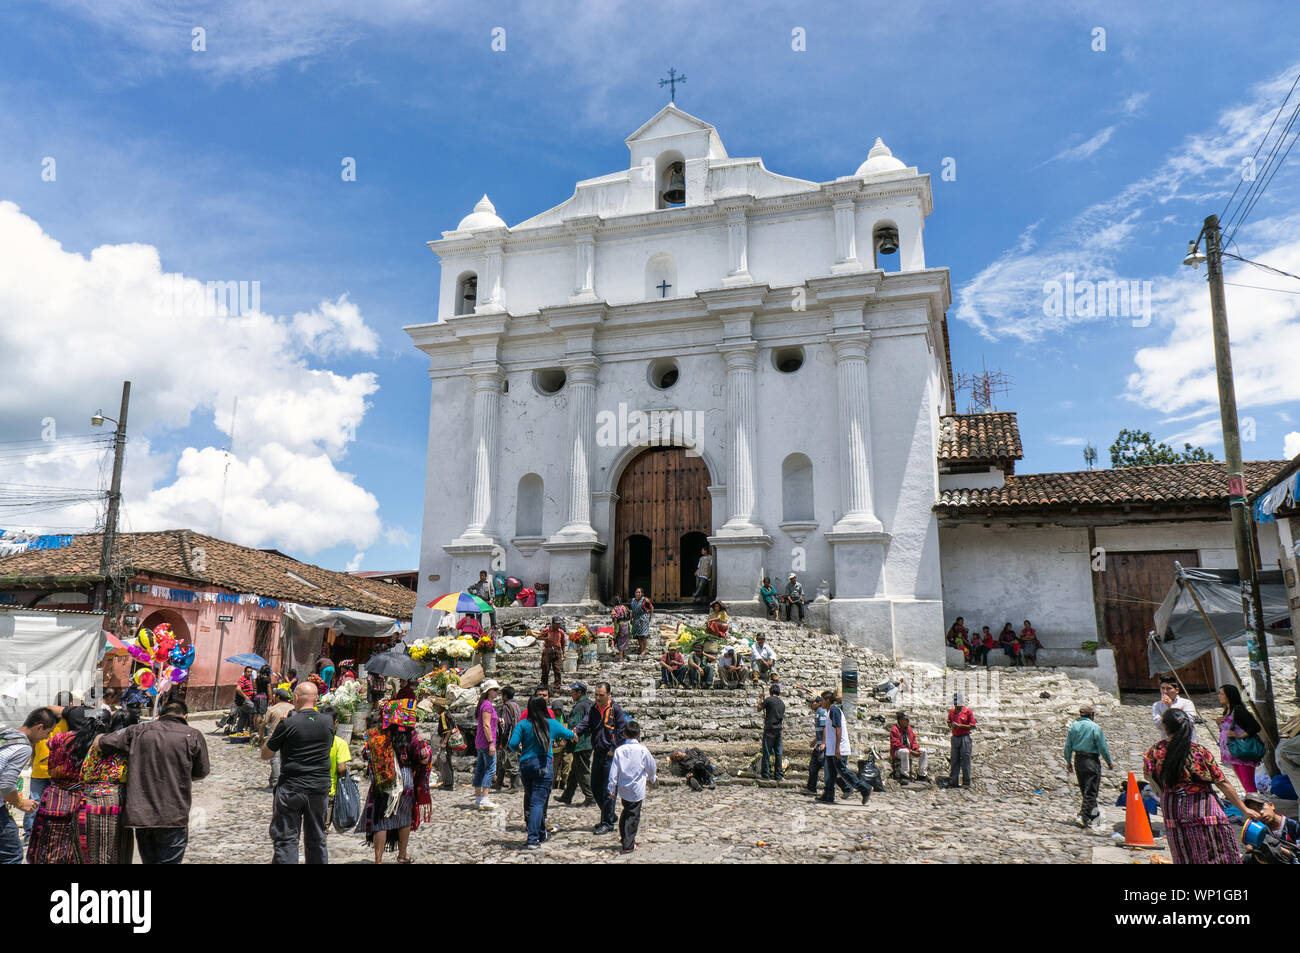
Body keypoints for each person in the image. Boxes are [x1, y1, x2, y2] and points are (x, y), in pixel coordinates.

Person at [92, 699, 210, 864]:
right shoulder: (193, 735)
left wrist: (98, 735)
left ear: (160, 714)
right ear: (185, 716)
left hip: (143, 816)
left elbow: (100, 743)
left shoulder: (138, 730)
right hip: (173, 814)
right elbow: (200, 773)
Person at [1144, 708, 1256, 864]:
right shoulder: (1198, 751)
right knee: (1215, 851)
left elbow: (1149, 777)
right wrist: (1244, 809)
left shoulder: (1154, 751)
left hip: (1172, 806)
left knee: (1183, 851)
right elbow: (1222, 782)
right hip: (1202, 806)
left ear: (1165, 727)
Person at [262, 681, 335, 864]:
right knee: (317, 838)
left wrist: (281, 724)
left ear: (295, 698)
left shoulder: (288, 723)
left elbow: (266, 753)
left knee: (286, 839)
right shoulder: (328, 722)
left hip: (291, 788)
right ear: (316, 698)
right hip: (319, 788)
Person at [361, 698, 431, 863]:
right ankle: (402, 855)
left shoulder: (377, 734)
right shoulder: (411, 735)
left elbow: (366, 754)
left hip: (384, 777)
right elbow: (422, 757)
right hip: (405, 778)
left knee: (381, 819)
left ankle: (378, 860)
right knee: (404, 817)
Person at [509, 695, 576, 849]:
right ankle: (533, 839)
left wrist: (519, 748)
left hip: (526, 765)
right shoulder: (550, 724)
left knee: (533, 800)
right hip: (543, 765)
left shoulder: (523, 725)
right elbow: (568, 734)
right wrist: (574, 734)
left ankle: (539, 833)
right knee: (538, 803)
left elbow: (512, 744)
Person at [0, 708, 59, 863]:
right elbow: (5, 784)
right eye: (47, 733)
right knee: (11, 855)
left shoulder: (6, 735)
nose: (45, 738)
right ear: (39, 727)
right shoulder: (23, 747)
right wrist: (20, 803)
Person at [573, 682, 628, 834]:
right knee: (596, 787)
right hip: (597, 752)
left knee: (608, 789)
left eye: (601, 695)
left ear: (609, 695)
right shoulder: (593, 709)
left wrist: (613, 747)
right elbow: (585, 723)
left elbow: (622, 731)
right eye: (596, 695)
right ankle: (609, 815)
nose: (597, 698)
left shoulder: (615, 710)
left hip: (611, 755)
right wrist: (575, 730)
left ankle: (607, 823)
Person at [608, 721, 656, 854]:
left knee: (626, 812)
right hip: (637, 789)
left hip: (624, 788)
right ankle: (628, 844)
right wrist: (652, 778)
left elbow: (613, 772)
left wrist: (611, 788)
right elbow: (651, 766)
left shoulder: (619, 751)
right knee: (633, 816)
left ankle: (625, 838)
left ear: (624, 734)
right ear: (639, 734)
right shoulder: (643, 750)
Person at [1063, 703, 1113, 828]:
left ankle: (1094, 816)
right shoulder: (1095, 727)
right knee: (1091, 791)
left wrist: (1068, 761)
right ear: (1092, 715)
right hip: (1091, 760)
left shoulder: (1074, 726)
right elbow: (1102, 747)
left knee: (1085, 788)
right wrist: (1108, 761)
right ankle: (1083, 816)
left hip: (1078, 760)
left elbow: (1068, 745)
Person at [817, 691, 871, 804]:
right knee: (830, 773)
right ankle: (828, 794)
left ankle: (864, 788)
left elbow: (838, 729)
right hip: (831, 749)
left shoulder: (834, 710)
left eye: (822, 700)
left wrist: (837, 748)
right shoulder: (828, 712)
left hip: (838, 748)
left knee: (843, 771)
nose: (820, 702)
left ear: (827, 701)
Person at [1215, 683, 1263, 794]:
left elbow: (1255, 727)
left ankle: (1255, 807)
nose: (1219, 696)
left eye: (1222, 694)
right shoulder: (1227, 711)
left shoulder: (1239, 711)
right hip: (1233, 752)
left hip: (1242, 752)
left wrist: (1239, 735)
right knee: (1244, 783)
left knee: (1248, 784)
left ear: (1229, 696)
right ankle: (1251, 806)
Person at [556, 682, 595, 806]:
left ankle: (590, 797)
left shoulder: (579, 707)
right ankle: (567, 796)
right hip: (587, 742)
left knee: (582, 771)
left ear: (580, 693)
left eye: (573, 691)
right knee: (574, 771)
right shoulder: (589, 704)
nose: (571, 694)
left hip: (581, 743)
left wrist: (566, 739)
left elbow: (574, 726)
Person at [473, 680, 502, 810]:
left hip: (480, 742)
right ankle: (484, 797)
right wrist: (491, 743)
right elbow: (486, 725)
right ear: (489, 691)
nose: (497, 692)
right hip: (486, 741)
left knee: (480, 768)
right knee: (490, 769)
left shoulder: (485, 705)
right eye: (495, 690)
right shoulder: (487, 706)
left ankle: (478, 797)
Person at [320, 705, 351, 826]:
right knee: (323, 827)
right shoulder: (339, 743)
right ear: (335, 722)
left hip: (310, 789)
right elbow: (341, 768)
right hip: (329, 790)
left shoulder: (311, 739)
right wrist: (343, 777)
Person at [493, 684, 522, 792]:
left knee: (510, 760)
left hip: (509, 737)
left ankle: (515, 786)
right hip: (516, 735)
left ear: (505, 696)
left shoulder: (506, 707)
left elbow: (506, 724)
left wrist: (502, 739)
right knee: (502, 761)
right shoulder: (516, 706)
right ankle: (498, 783)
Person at [264, 687, 295, 788]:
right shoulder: (293, 708)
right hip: (290, 737)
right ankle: (274, 779)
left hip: (275, 737)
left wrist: (260, 735)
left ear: (277, 697)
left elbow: (263, 724)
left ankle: (276, 781)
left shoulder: (272, 709)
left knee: (275, 759)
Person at [945, 693, 976, 789]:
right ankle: (953, 780)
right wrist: (952, 725)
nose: (956, 706)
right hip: (955, 737)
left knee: (965, 759)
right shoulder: (952, 711)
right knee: (954, 759)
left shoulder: (968, 711)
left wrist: (960, 726)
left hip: (965, 737)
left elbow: (972, 726)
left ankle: (966, 781)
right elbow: (949, 722)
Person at [889, 711, 930, 784]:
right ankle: (904, 775)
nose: (908, 721)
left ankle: (922, 775)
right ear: (901, 720)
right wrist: (911, 751)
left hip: (909, 750)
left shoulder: (909, 729)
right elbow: (897, 744)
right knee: (905, 751)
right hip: (897, 751)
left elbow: (913, 741)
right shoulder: (894, 729)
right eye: (906, 720)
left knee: (923, 751)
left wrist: (915, 748)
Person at [758, 683, 785, 780]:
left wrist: (761, 698)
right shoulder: (782, 703)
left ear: (771, 692)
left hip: (769, 729)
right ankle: (778, 774)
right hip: (778, 729)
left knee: (767, 751)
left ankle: (765, 773)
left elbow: (759, 708)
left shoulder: (768, 700)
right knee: (778, 752)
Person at [432, 697, 458, 790]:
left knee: (445, 762)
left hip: (446, 740)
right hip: (448, 740)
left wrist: (444, 742)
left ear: (440, 707)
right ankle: (449, 782)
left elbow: (448, 730)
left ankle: (448, 784)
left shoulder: (443, 715)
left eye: (436, 707)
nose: (435, 709)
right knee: (447, 761)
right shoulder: (447, 714)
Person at [539, 617, 566, 692]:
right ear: (553, 623)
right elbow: (539, 637)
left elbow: (563, 643)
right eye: (557, 624)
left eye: (559, 624)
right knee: (545, 669)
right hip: (548, 650)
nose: (558, 625)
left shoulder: (561, 632)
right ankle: (544, 686)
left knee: (557, 670)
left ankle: (557, 688)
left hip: (557, 651)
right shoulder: (547, 630)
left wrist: (564, 653)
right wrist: (546, 638)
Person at [629, 589, 654, 656]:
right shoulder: (633, 601)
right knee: (638, 635)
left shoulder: (645, 600)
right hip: (636, 619)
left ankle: (644, 649)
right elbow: (632, 611)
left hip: (643, 618)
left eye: (639, 592)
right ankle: (641, 648)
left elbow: (651, 607)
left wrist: (650, 617)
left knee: (644, 635)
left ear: (642, 593)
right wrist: (631, 619)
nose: (638, 594)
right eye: (637, 592)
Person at [253, 664, 272, 742]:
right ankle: (258, 730)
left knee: (256, 714)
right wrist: (270, 698)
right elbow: (269, 689)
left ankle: (255, 728)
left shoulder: (258, 678)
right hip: (263, 697)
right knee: (260, 714)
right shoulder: (267, 679)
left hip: (257, 696)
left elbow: (256, 688)